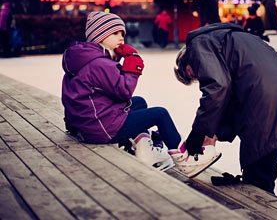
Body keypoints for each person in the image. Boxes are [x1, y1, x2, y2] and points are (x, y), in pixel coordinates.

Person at [61, 11, 220, 177]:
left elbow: (72, 96)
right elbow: (123, 90)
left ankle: (144, 151)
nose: (121, 38)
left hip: (90, 123)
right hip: (102, 128)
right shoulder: (100, 64)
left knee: (139, 102)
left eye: (122, 33)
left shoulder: (83, 59)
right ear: (99, 36)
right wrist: (132, 63)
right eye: (115, 33)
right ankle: (184, 159)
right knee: (160, 114)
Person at [173, 23, 277, 193]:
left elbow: (218, 88)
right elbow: (233, 95)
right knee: (262, 173)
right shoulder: (233, 39)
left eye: (192, 73)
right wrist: (215, 133)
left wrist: (197, 133)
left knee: (258, 184)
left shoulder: (198, 46)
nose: (198, 76)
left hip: (266, 111)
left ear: (186, 60)